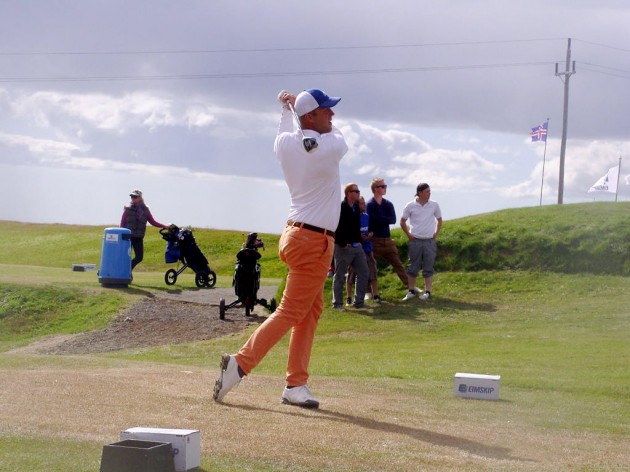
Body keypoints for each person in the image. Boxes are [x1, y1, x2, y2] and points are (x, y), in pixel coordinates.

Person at [213, 88, 348, 409]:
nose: (332, 114)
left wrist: (287, 110)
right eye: (326, 110)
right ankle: (239, 364)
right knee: (291, 311)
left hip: (295, 235)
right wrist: (293, 113)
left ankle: (295, 384)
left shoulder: (285, 144)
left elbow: (286, 131)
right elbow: (339, 137)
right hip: (313, 241)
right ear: (310, 116)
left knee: (309, 311)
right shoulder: (331, 146)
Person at [399, 183, 443, 301]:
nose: (429, 193)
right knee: (413, 266)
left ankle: (427, 292)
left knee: (428, 266)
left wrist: (435, 233)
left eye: (429, 191)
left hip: (429, 241)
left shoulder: (434, 205)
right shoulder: (410, 205)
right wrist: (408, 234)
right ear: (419, 192)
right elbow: (402, 221)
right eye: (427, 191)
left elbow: (439, 220)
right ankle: (411, 291)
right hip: (415, 241)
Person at [332, 183, 369, 309]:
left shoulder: (356, 207)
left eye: (358, 191)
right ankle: (337, 304)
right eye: (356, 191)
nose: (358, 193)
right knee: (340, 276)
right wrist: (342, 243)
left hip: (357, 246)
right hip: (343, 247)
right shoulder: (340, 207)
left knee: (364, 272)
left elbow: (355, 226)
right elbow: (335, 226)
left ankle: (358, 302)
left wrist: (359, 239)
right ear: (348, 193)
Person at [366, 178, 408, 287]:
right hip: (374, 241)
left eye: (385, 186)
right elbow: (372, 221)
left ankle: (410, 286)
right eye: (383, 186)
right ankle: (368, 291)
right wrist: (384, 219)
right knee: (370, 266)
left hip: (387, 240)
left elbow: (393, 220)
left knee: (398, 264)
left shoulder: (388, 204)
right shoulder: (369, 205)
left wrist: (380, 219)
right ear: (375, 189)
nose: (385, 188)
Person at [119, 189, 168, 270]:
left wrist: (164, 226)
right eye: (131, 197)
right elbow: (122, 222)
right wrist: (120, 232)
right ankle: (126, 272)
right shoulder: (127, 209)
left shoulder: (145, 210)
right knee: (125, 256)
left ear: (140, 198)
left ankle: (127, 269)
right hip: (127, 237)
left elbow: (152, 222)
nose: (133, 198)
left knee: (139, 257)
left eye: (135, 197)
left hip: (138, 237)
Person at [346, 195, 380, 304]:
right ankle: (348, 298)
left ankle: (376, 295)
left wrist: (369, 235)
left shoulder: (367, 216)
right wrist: (358, 236)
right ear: (356, 205)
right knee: (351, 274)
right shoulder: (351, 217)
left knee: (372, 271)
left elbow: (372, 230)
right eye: (361, 203)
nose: (364, 205)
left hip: (367, 248)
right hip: (354, 248)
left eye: (364, 203)